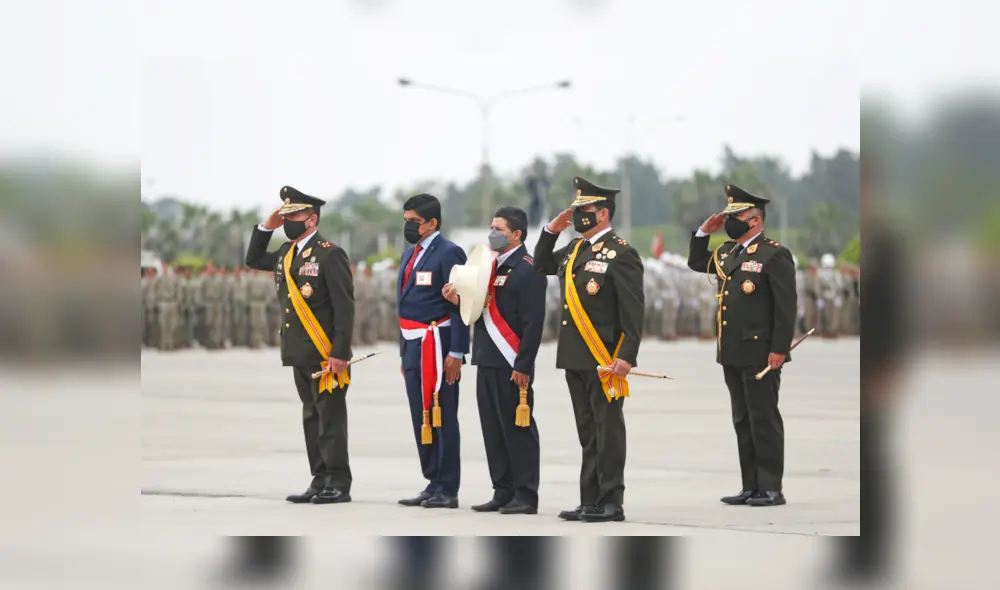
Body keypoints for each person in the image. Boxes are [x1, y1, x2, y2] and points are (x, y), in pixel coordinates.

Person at [534, 177, 644, 523]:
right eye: (576, 209)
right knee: (587, 431)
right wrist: (552, 230)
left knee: (607, 430)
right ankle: (589, 500)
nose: (578, 214)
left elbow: (633, 310)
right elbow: (540, 264)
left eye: (584, 209)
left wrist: (626, 356)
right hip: (575, 356)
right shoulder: (574, 249)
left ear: (603, 213)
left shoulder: (621, 253)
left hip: (605, 357)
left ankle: (611, 501)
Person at [245, 186, 356, 505]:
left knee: (330, 420)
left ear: (312, 220)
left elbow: (344, 307)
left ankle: (338, 483)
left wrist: (339, 352)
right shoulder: (286, 254)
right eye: (286, 216)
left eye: (294, 216)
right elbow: (253, 259)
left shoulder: (329, 254)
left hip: (325, 353)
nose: (288, 222)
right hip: (299, 350)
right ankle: (319, 479)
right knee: (311, 417)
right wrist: (266, 227)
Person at [687, 184, 796, 507]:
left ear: (756, 220)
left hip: (761, 351)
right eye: (729, 216)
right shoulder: (727, 252)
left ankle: (771, 487)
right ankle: (750, 486)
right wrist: (704, 232)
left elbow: (786, 307)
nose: (731, 222)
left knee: (764, 419)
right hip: (732, 350)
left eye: (737, 217)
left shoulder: (773, 254)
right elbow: (696, 262)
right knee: (743, 420)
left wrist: (780, 349)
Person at [442, 206, 546, 515]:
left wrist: (524, 365)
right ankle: (502, 490)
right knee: (493, 429)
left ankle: (525, 494)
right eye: (491, 227)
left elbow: (533, 324)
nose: (492, 234)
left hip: (511, 362)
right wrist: (456, 301)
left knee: (517, 430)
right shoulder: (489, 267)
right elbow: (478, 310)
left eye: (499, 229)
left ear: (517, 234)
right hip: (486, 358)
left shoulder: (528, 269)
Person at [396, 194, 469, 510]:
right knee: (420, 415)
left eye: (414, 221)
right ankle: (432, 480)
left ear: (432, 223)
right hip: (413, 345)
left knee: (443, 415)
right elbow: (404, 306)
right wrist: (403, 352)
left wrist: (457, 351)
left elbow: (461, 303)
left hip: (439, 346)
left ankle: (448, 487)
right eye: (406, 221)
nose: (408, 226)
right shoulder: (409, 254)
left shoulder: (449, 252)